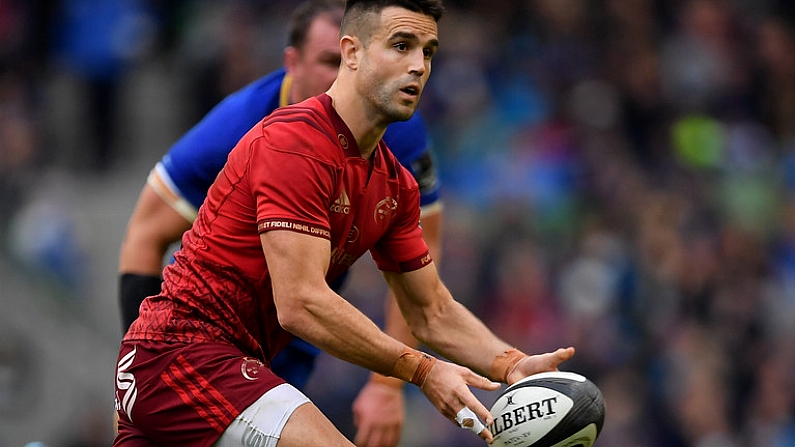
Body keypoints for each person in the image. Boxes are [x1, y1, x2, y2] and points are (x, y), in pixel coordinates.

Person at [113, 1, 576, 446]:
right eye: (401, 45)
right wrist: (422, 371)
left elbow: (431, 311)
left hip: (217, 366)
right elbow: (300, 302)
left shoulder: (396, 184)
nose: (418, 65)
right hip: (181, 354)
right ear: (351, 53)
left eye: (428, 51)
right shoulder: (294, 142)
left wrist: (511, 363)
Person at [117, 1, 441, 445]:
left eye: (428, 53)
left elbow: (428, 291)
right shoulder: (242, 128)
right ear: (295, 63)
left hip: (279, 344)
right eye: (328, 61)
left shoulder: (396, 143)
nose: (338, 77)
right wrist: (144, 368)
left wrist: (504, 365)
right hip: (198, 348)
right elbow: (144, 234)